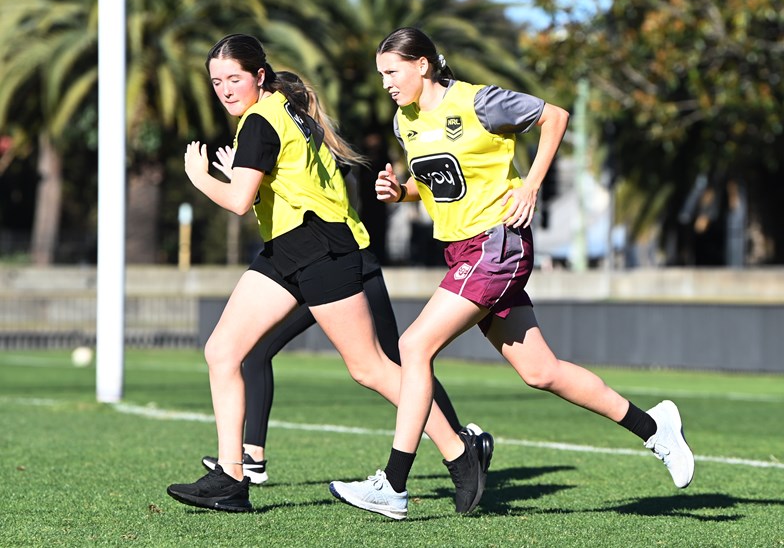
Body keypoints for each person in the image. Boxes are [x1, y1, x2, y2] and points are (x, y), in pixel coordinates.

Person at [329, 27, 695, 520]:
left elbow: (555, 117)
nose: (386, 84)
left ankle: (392, 484)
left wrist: (532, 188)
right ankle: (655, 428)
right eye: (382, 76)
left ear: (422, 65)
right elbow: (438, 181)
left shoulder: (480, 103)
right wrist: (403, 192)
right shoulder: (404, 122)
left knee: (414, 347)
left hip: (496, 244)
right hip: (463, 252)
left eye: (392, 72)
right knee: (542, 372)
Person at [166, 33, 493, 515]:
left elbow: (238, 201)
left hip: (319, 247)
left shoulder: (261, 119)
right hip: (287, 248)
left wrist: (201, 178)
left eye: (234, 78)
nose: (225, 89)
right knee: (223, 351)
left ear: (258, 76)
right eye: (217, 82)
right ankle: (232, 478)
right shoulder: (281, 107)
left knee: (370, 368)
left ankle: (460, 452)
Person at [199, 145, 492, 488]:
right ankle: (253, 457)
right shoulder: (293, 137)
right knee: (256, 352)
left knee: (392, 364)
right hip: (310, 267)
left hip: (349, 267)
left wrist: (244, 176)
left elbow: (297, 198)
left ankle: (461, 441)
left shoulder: (311, 145)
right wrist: (247, 173)